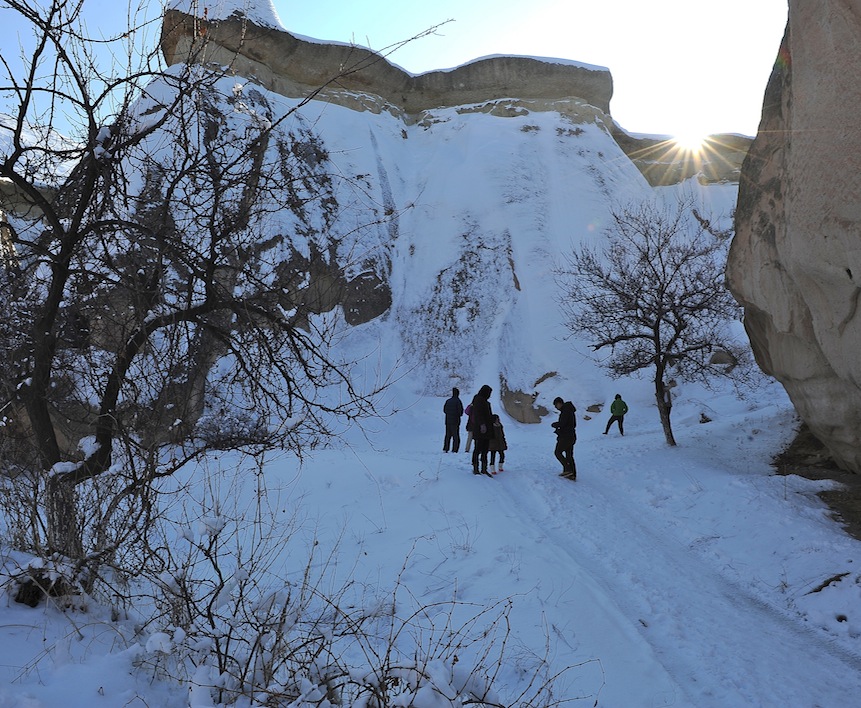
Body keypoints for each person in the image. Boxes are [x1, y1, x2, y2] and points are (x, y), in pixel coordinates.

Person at [470, 384, 494, 477]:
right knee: (478, 449)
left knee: (484, 449)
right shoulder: (479, 400)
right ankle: (476, 468)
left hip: (486, 429)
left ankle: (483, 468)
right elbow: (478, 414)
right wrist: (482, 424)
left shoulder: (484, 401)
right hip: (481, 429)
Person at [552, 396, 577, 480]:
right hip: (571, 436)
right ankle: (572, 474)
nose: (556, 407)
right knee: (569, 455)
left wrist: (555, 424)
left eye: (556, 405)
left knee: (558, 452)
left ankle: (568, 470)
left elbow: (562, 424)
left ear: (559, 403)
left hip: (566, 436)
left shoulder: (565, 411)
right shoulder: (569, 410)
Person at [443, 387, 464, 452]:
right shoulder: (458, 401)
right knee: (456, 436)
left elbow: (444, 410)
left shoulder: (448, 401)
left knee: (447, 435)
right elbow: (460, 412)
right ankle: (455, 449)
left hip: (448, 420)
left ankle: (446, 448)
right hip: (455, 421)